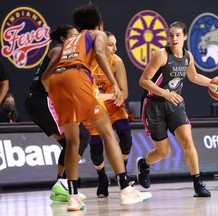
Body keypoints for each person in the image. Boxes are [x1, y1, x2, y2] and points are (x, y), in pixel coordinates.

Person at [41, 4, 151, 211]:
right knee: (108, 133)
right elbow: (100, 54)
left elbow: (47, 75)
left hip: (57, 81)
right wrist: (115, 84)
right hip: (77, 76)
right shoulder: (97, 34)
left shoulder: (69, 40)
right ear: (99, 23)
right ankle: (126, 189)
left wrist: (52, 90)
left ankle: (73, 197)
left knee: (72, 142)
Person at [137, 21, 211, 197]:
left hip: (175, 104)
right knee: (164, 152)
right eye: (171, 35)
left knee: (187, 141)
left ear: (185, 36)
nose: (174, 38)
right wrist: (165, 93)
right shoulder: (162, 55)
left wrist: (213, 83)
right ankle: (145, 164)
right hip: (154, 105)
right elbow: (143, 81)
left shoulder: (188, 57)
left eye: (178, 35)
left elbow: (193, 76)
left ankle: (198, 183)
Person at [25, 24, 89, 202]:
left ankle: (59, 186)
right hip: (42, 100)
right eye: (73, 35)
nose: (77, 39)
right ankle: (63, 183)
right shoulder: (60, 50)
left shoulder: (64, 52)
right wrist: (58, 99)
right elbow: (46, 78)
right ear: (63, 38)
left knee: (69, 144)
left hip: (35, 103)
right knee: (81, 136)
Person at [85, 31, 133, 198]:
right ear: (100, 45)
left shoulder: (116, 61)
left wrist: (105, 96)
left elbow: (124, 93)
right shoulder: (88, 62)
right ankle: (102, 178)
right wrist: (104, 96)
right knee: (96, 150)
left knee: (126, 138)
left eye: (115, 44)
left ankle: (123, 172)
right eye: (110, 44)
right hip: (94, 109)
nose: (115, 48)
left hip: (114, 107)